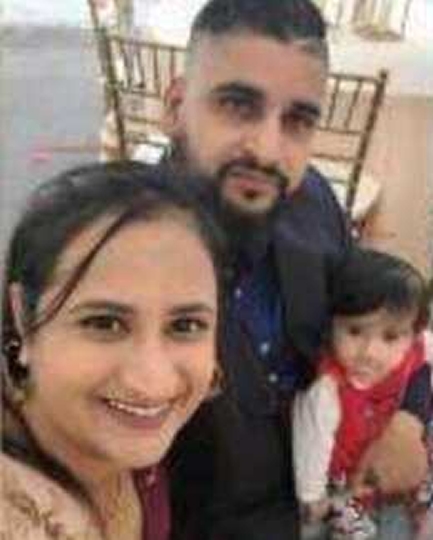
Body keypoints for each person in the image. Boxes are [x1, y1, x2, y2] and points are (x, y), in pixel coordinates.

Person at [160, 1, 430, 539]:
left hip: (341, 490)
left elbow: (382, 315)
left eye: (297, 122)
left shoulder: (312, 205)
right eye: (237, 105)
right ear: (175, 106)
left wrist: (410, 414)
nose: (267, 150)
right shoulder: (120, 255)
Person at [0, 161, 227, 540]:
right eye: (104, 323)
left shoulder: (164, 449)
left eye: (186, 325)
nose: (151, 382)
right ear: (23, 316)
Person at [292, 248, 432, 540]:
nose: (370, 352)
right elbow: (311, 454)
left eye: (390, 337)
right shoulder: (326, 393)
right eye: (354, 331)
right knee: (354, 529)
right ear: (331, 325)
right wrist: (314, 500)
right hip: (345, 482)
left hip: (389, 456)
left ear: (411, 334)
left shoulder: (413, 350)